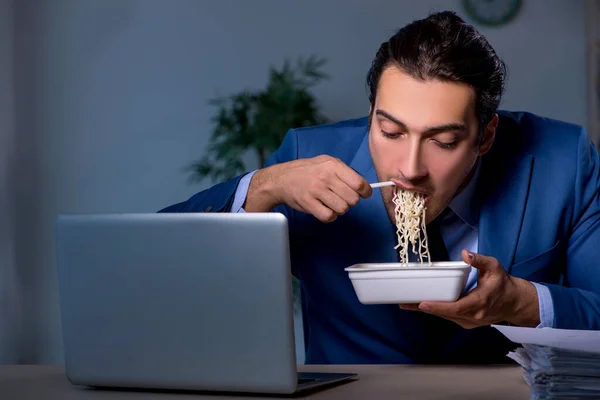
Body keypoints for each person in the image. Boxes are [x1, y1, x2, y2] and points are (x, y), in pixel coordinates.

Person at [159, 11, 600, 364]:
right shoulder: (306, 155)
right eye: (390, 132)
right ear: (371, 113)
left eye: (443, 141)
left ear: (484, 137)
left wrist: (521, 303)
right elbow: (161, 262)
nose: (409, 169)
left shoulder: (563, 161)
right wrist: (263, 186)